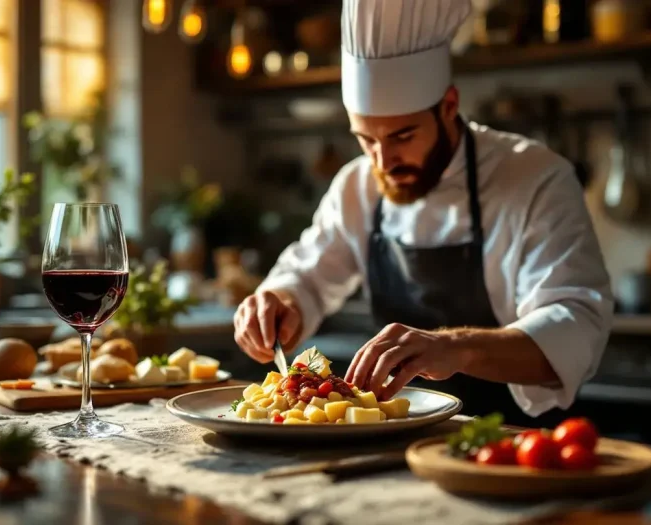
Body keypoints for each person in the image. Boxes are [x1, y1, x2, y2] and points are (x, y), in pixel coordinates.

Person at [233, 0, 614, 426]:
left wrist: (455, 347)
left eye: (403, 135)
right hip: (388, 446)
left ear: (449, 105)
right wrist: (279, 303)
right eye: (366, 139)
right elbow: (306, 277)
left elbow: (575, 325)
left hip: (508, 441)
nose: (384, 160)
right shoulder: (358, 184)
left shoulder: (536, 179)